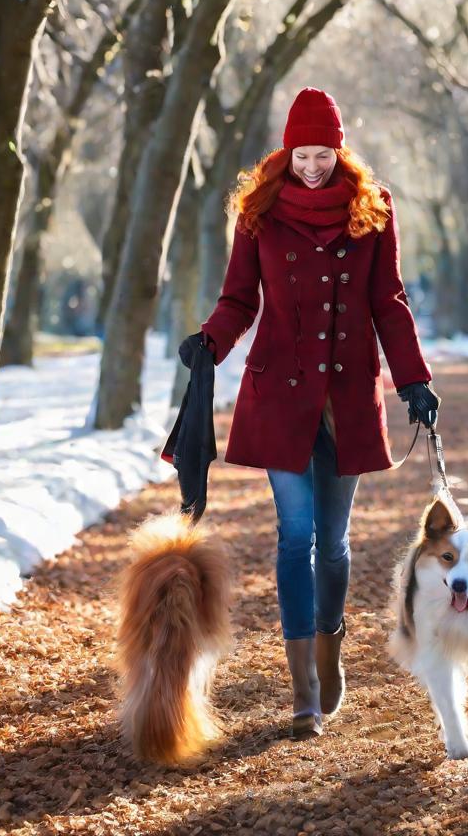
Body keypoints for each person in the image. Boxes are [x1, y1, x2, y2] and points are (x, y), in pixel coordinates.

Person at [179, 86, 440, 740]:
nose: (314, 165)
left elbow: (389, 301)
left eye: (324, 153)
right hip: (280, 399)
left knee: (335, 544)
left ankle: (330, 652)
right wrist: (210, 339)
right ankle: (305, 691)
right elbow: (239, 299)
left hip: (348, 398)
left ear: (339, 150)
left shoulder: (372, 211)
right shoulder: (259, 212)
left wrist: (413, 380)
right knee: (296, 538)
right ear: (289, 149)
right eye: (304, 153)